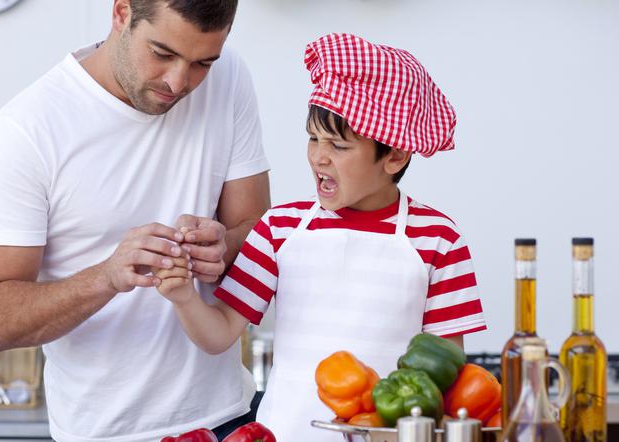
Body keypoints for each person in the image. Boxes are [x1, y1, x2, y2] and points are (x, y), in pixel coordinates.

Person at [154, 33, 488, 441]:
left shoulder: (438, 239)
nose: (319, 157)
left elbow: (448, 372)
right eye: (314, 138)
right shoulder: (280, 227)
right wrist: (184, 297)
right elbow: (220, 334)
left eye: (339, 145)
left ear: (395, 156)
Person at [0, 1, 270, 441]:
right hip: (105, 433)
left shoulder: (229, 76)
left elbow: (256, 227)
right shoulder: (26, 131)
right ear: (122, 13)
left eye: (202, 62)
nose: (179, 82)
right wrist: (107, 276)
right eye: (162, 53)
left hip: (228, 419)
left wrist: (224, 247)